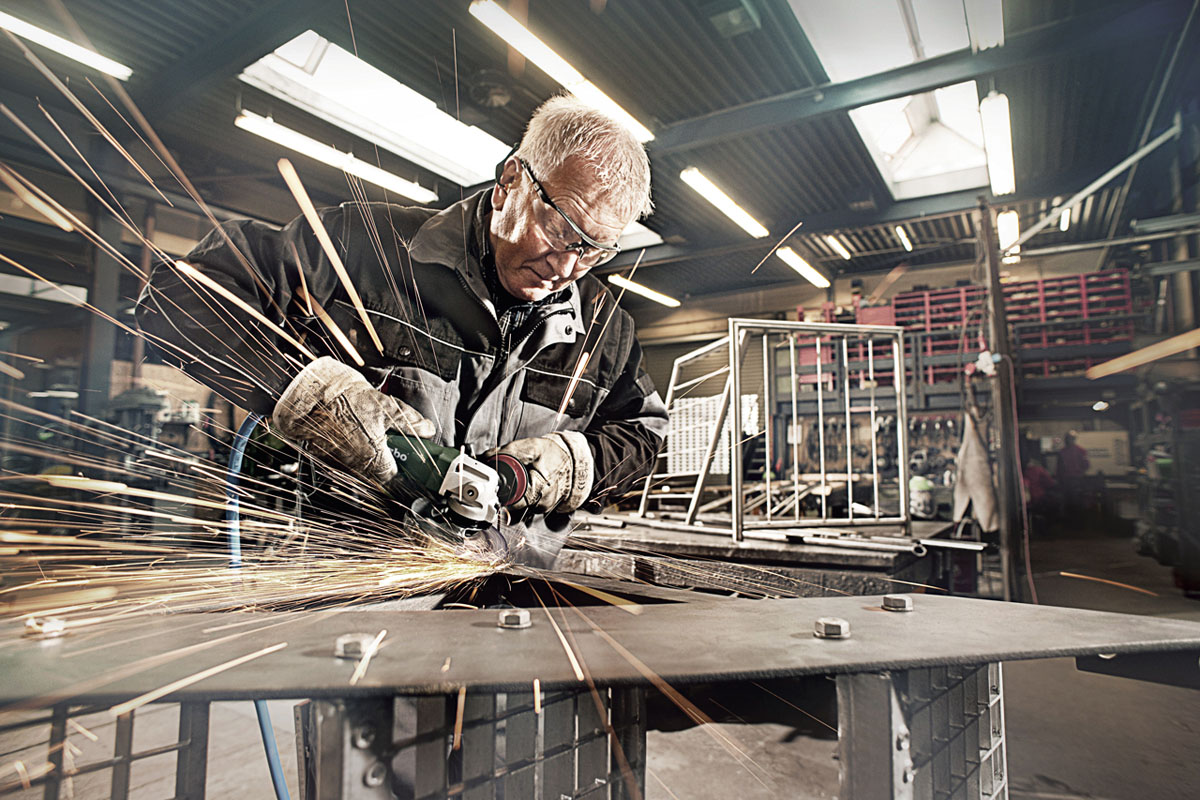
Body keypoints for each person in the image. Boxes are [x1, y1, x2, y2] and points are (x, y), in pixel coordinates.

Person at [136, 96, 668, 567]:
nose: (568, 265)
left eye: (594, 249)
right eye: (560, 227)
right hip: (353, 593)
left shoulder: (605, 328)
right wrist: (304, 391)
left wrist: (566, 465)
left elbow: (643, 435)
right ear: (511, 182)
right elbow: (176, 294)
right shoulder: (364, 247)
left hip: (513, 602)